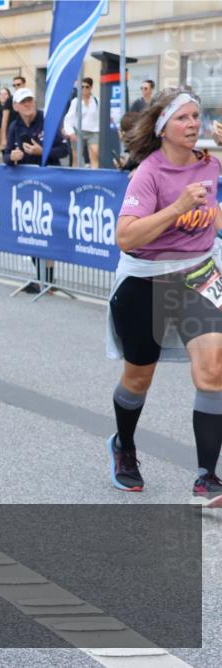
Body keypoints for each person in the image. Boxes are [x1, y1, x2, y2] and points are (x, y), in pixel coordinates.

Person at [107, 87, 222, 507]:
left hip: (198, 277)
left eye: (197, 116)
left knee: (213, 370)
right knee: (138, 378)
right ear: (162, 128)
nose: (194, 124)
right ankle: (124, 445)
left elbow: (214, 217)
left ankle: (207, 479)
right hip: (147, 283)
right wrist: (175, 209)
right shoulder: (148, 173)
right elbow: (125, 237)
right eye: (183, 118)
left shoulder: (210, 166)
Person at [4, 88, 68, 293]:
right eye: (23, 102)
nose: (27, 104)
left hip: (49, 185)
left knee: (46, 230)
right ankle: (42, 278)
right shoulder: (14, 126)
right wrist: (12, 157)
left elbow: (64, 150)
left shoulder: (47, 121)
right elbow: (6, 155)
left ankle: (47, 280)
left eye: (30, 100)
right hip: (25, 188)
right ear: (15, 106)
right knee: (30, 230)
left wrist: (43, 152)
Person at [63, 77, 100, 168]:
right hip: (78, 132)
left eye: (86, 87)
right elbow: (69, 118)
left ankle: (94, 178)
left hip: (93, 132)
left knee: (94, 156)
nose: (84, 89)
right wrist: (71, 133)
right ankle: (75, 180)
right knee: (76, 158)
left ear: (91, 88)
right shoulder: (75, 102)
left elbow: (101, 116)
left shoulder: (96, 100)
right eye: (82, 87)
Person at [0, 75, 27, 153]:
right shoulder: (10, 100)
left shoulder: (28, 99)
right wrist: (4, 139)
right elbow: (4, 120)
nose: (16, 87)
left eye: (18, 84)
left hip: (26, 133)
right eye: (14, 85)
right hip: (13, 134)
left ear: (24, 84)